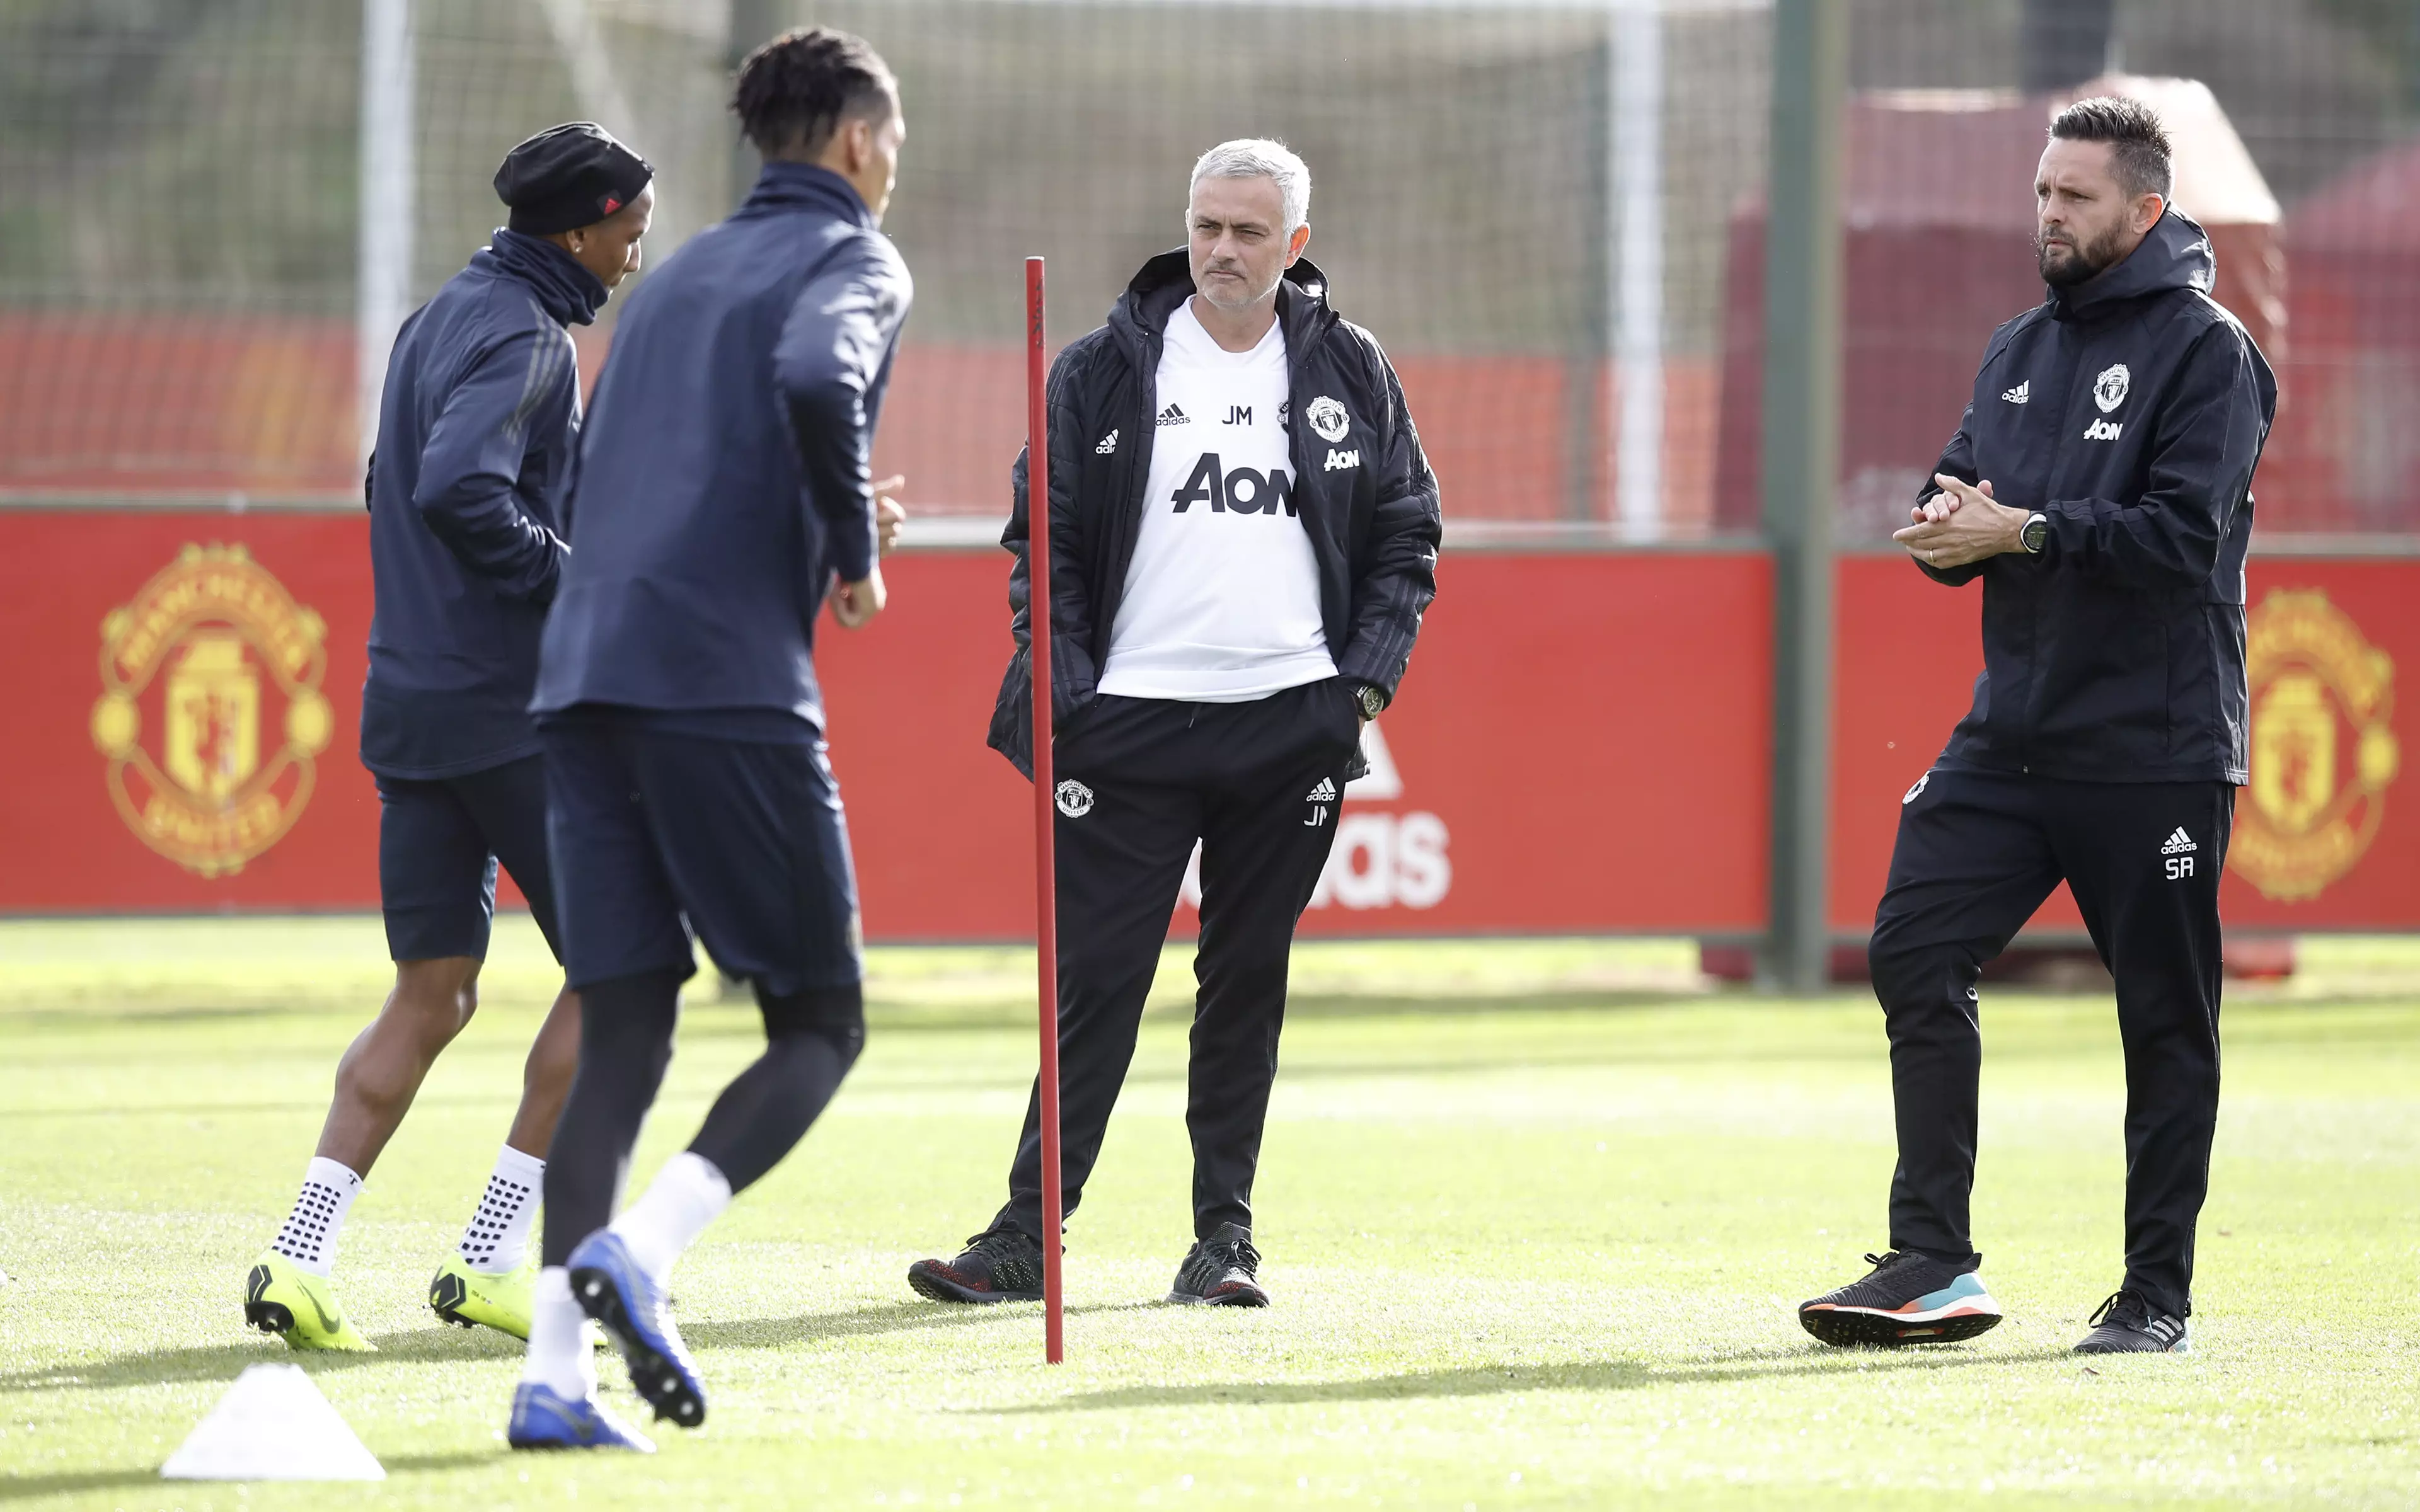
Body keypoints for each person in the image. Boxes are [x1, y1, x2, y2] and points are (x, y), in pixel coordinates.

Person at [907, 139, 1441, 1312]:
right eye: (1206, 227)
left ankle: (1224, 1242)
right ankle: (1024, 1236)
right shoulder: (1102, 365)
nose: (1221, 252)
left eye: (1249, 233)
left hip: (1288, 724)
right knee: (1096, 981)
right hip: (1129, 724)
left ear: (1295, 244)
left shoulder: (1352, 365)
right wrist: (1067, 689)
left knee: (1245, 980)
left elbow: (1408, 529)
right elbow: (1039, 540)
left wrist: (1360, 687)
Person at [1798, 97, 2275, 1356]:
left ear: (2144, 211)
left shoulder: (2210, 353)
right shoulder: (2016, 346)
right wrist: (1947, 529)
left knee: (2165, 1016)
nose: (2047, 214)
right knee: (1911, 948)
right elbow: (1958, 487)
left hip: (2155, 745)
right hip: (2011, 736)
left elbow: (2184, 542)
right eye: (2042, 192)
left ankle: (2156, 1295)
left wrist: (2025, 532)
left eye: (2074, 196)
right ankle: (1934, 1262)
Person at [505, 26, 911, 1452]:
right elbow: (816, 382)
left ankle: (554, 1377)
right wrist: (854, 552)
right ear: (859, 141)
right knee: (821, 1022)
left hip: (582, 677)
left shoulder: (667, 281)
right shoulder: (856, 258)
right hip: (721, 685)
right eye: (894, 136)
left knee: (626, 1021)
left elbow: (620, 470)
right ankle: (650, 1250)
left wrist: (817, 528)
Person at [243, 123, 654, 1353]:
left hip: (408, 703)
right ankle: (487, 1260)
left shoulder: (438, 318)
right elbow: (456, 488)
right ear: (579, 228)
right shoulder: (529, 338)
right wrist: (570, 585)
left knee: (436, 991)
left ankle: (297, 1258)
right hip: (505, 714)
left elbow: (389, 479)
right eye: (631, 221)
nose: (640, 245)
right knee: (625, 975)